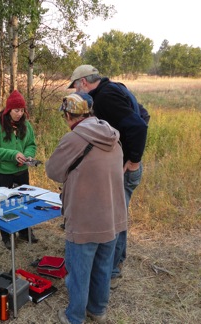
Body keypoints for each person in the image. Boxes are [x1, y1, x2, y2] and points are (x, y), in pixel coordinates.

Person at [45, 92, 127, 324]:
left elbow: (52, 171)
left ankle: (75, 317)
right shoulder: (113, 135)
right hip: (112, 216)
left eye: (65, 117)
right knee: (103, 267)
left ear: (69, 115)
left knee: (79, 273)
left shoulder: (73, 139)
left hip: (85, 218)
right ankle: (98, 311)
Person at [69, 65, 148, 288]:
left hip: (124, 169)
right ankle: (115, 262)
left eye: (75, 86)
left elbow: (139, 126)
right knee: (116, 216)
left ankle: (112, 270)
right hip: (117, 166)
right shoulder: (113, 88)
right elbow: (143, 113)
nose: (75, 92)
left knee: (115, 219)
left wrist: (132, 161)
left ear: (83, 82)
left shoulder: (105, 97)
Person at [0, 89, 38, 250]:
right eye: (16, 110)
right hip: (3, 172)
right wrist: (13, 154)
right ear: (8, 110)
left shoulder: (26, 124)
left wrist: (28, 156)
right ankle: (7, 235)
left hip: (22, 171)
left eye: (22, 110)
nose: (19, 114)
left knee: (24, 201)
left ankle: (24, 231)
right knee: (4, 205)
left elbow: (31, 144)